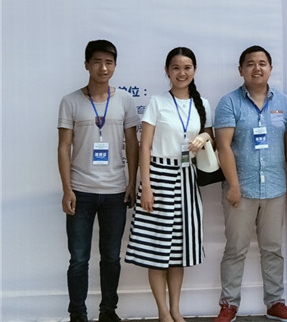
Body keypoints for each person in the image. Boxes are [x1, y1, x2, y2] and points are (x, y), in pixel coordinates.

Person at [125, 47, 213, 322]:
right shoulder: (157, 102)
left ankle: (176, 309)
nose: (181, 73)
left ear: (194, 70)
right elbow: (145, 146)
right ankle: (163, 312)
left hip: (187, 177)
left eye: (187, 67)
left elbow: (208, 133)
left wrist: (204, 138)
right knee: (157, 249)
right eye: (176, 68)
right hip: (159, 176)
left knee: (179, 251)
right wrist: (146, 186)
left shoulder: (202, 103)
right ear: (167, 71)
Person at [214, 45, 287, 322]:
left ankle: (275, 302)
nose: (257, 68)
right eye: (250, 64)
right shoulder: (229, 103)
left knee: (272, 249)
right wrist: (233, 185)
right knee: (235, 249)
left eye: (262, 63)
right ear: (241, 70)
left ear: (271, 69)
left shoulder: (284, 103)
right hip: (241, 189)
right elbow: (223, 147)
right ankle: (229, 304)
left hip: (275, 188)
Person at [57, 40, 140, 322]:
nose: (103, 68)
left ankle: (108, 311)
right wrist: (67, 189)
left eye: (109, 62)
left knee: (111, 257)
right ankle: (77, 314)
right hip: (80, 191)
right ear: (86, 65)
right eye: (97, 61)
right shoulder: (70, 101)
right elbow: (63, 147)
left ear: (115, 66)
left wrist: (132, 182)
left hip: (116, 191)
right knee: (79, 258)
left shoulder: (125, 100)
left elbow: (132, 143)